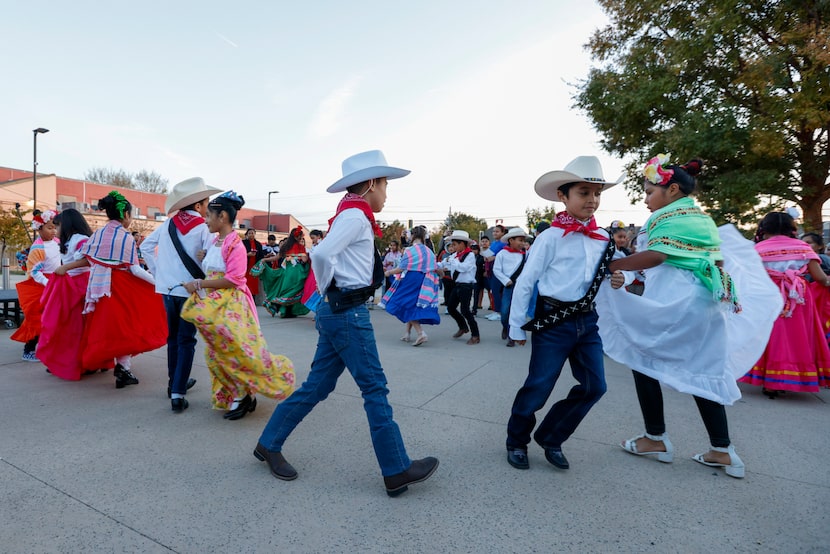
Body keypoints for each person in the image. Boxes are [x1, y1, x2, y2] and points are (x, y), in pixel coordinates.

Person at [256, 150, 439, 496]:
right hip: (348, 313)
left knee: (318, 386)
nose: (387, 192)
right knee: (374, 389)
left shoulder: (350, 214)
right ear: (371, 184)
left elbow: (330, 256)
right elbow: (322, 254)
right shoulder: (355, 217)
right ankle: (396, 469)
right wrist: (328, 289)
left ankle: (269, 443)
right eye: (385, 185)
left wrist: (330, 293)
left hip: (340, 311)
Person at [597, 154, 781, 479]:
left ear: (673, 190)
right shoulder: (702, 220)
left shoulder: (668, 218)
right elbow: (714, 265)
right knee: (703, 369)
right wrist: (631, 275)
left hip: (677, 305)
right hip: (707, 304)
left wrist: (612, 266)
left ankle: (655, 438)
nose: (645, 198)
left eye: (650, 190)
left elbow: (657, 256)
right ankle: (723, 450)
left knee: (641, 358)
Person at [505, 156, 618, 472]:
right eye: (584, 192)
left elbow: (613, 271)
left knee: (595, 386)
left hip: (587, 322)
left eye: (597, 193)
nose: (592, 200)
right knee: (538, 387)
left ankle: (551, 437)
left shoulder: (605, 238)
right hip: (553, 322)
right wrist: (515, 326)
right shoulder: (549, 237)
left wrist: (624, 277)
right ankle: (516, 441)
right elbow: (527, 281)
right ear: (563, 196)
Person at [180, 191, 295, 420]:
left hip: (232, 306)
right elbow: (215, 269)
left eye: (209, 216)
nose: (206, 220)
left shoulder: (236, 245)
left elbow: (234, 279)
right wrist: (203, 260)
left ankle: (244, 395)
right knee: (216, 354)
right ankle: (239, 394)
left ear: (222, 216)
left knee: (236, 351)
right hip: (215, 304)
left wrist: (199, 283)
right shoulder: (216, 242)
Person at [56, 191, 168, 389]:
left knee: (113, 329)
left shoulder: (99, 233)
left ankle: (121, 367)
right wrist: (157, 282)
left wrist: (65, 267)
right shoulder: (124, 237)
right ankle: (123, 368)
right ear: (125, 215)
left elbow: (86, 259)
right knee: (126, 328)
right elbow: (134, 269)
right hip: (121, 286)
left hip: (99, 287)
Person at [140, 177, 220, 411]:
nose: (207, 208)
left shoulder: (167, 224)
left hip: (167, 290)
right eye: (206, 203)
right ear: (197, 206)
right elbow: (212, 260)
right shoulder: (205, 228)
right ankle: (178, 393)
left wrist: (159, 274)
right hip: (190, 290)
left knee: (173, 338)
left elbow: (145, 247)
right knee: (186, 340)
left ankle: (173, 382)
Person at [739, 212, 830, 398]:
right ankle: (790, 377)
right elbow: (820, 278)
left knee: (770, 335)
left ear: (764, 228)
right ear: (792, 228)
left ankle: (769, 381)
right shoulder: (803, 248)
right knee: (797, 337)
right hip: (799, 297)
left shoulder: (757, 249)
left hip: (767, 296)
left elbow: (748, 278)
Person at [38, 209, 93, 380]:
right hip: (69, 283)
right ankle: (65, 360)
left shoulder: (81, 239)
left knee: (75, 326)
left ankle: (80, 362)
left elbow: (89, 259)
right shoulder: (69, 240)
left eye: (58, 226)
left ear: (67, 224)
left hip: (79, 284)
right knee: (64, 324)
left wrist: (66, 267)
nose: (56, 230)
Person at [12, 209, 61, 362]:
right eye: (49, 228)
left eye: (55, 227)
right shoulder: (37, 248)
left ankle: (51, 346)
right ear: (39, 229)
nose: (54, 231)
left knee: (55, 318)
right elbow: (35, 271)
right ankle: (29, 349)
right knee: (37, 318)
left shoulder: (58, 242)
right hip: (40, 286)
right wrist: (49, 284)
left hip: (55, 282)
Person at [381, 225, 441, 346]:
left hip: (412, 279)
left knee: (404, 303)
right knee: (411, 305)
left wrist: (388, 272)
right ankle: (407, 333)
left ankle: (420, 333)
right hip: (426, 281)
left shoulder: (410, 250)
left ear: (412, 236)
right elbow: (435, 267)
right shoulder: (429, 251)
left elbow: (401, 267)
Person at [254, 226, 311, 318]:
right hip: (297, 272)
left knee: (286, 290)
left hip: (287, 271)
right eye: (300, 237)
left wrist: (265, 259)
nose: (300, 238)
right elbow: (304, 260)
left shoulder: (285, 246)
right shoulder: (300, 247)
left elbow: (276, 257)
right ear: (297, 237)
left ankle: (279, 306)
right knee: (294, 291)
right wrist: (300, 258)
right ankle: (283, 308)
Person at [493, 228, 530, 347]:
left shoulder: (526, 254)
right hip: (509, 286)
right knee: (504, 312)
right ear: (511, 240)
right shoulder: (502, 254)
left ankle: (512, 335)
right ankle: (505, 326)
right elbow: (496, 270)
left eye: (524, 240)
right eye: (520, 240)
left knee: (517, 312)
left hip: (521, 287)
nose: (522, 243)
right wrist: (506, 281)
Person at [242, 228, 264, 300]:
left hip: (254, 266)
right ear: (247, 234)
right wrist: (247, 254)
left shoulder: (258, 244)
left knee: (253, 284)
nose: (251, 234)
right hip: (245, 266)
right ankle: (244, 298)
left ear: (255, 234)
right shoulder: (243, 242)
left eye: (253, 233)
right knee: (245, 282)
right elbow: (239, 253)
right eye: (250, 233)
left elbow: (261, 256)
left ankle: (252, 299)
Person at [477, 235, 494, 311]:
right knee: (480, 289)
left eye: (486, 241)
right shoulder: (478, 251)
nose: (484, 243)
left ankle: (491, 304)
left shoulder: (491, 251)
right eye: (482, 241)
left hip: (488, 273)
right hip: (479, 273)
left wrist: (487, 271)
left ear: (489, 242)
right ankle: (479, 304)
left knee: (489, 289)